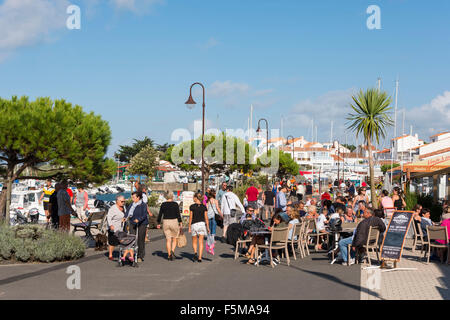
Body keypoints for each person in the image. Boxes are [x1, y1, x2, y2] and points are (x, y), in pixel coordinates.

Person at [157, 192, 182, 261]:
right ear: (172, 197)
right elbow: (178, 214)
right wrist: (180, 222)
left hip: (166, 222)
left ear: (166, 197)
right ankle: (172, 251)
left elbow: (160, 214)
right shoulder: (175, 204)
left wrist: (158, 223)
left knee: (168, 239)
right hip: (174, 221)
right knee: (174, 238)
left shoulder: (163, 204)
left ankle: (169, 255)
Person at [125, 191, 148, 263]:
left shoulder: (143, 205)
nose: (132, 199)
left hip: (142, 223)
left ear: (138, 197)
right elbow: (127, 212)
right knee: (132, 238)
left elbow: (144, 215)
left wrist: (139, 219)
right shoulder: (132, 204)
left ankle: (140, 256)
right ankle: (132, 255)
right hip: (132, 222)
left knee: (140, 239)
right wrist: (125, 217)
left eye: (133, 197)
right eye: (132, 197)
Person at [189, 193, 209, 263]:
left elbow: (191, 217)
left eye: (193, 197)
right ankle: (200, 257)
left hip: (194, 224)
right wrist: (208, 227)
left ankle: (195, 252)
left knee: (194, 241)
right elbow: (206, 218)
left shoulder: (192, 206)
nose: (193, 198)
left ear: (196, 198)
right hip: (202, 224)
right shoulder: (204, 207)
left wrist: (189, 227)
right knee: (201, 242)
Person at [107, 195, 126, 261]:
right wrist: (110, 225)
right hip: (113, 228)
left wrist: (124, 219)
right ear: (117, 201)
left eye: (124, 201)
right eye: (122, 201)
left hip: (121, 227)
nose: (123, 203)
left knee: (122, 241)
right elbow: (109, 217)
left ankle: (122, 254)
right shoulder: (113, 208)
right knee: (112, 242)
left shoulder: (123, 207)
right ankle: (110, 255)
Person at [206, 190, 222, 255]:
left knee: (209, 228)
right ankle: (212, 241)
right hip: (214, 216)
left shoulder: (207, 201)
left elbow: (206, 209)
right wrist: (221, 214)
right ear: (214, 194)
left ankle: (210, 241)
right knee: (214, 228)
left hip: (209, 216)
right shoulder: (216, 201)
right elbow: (218, 208)